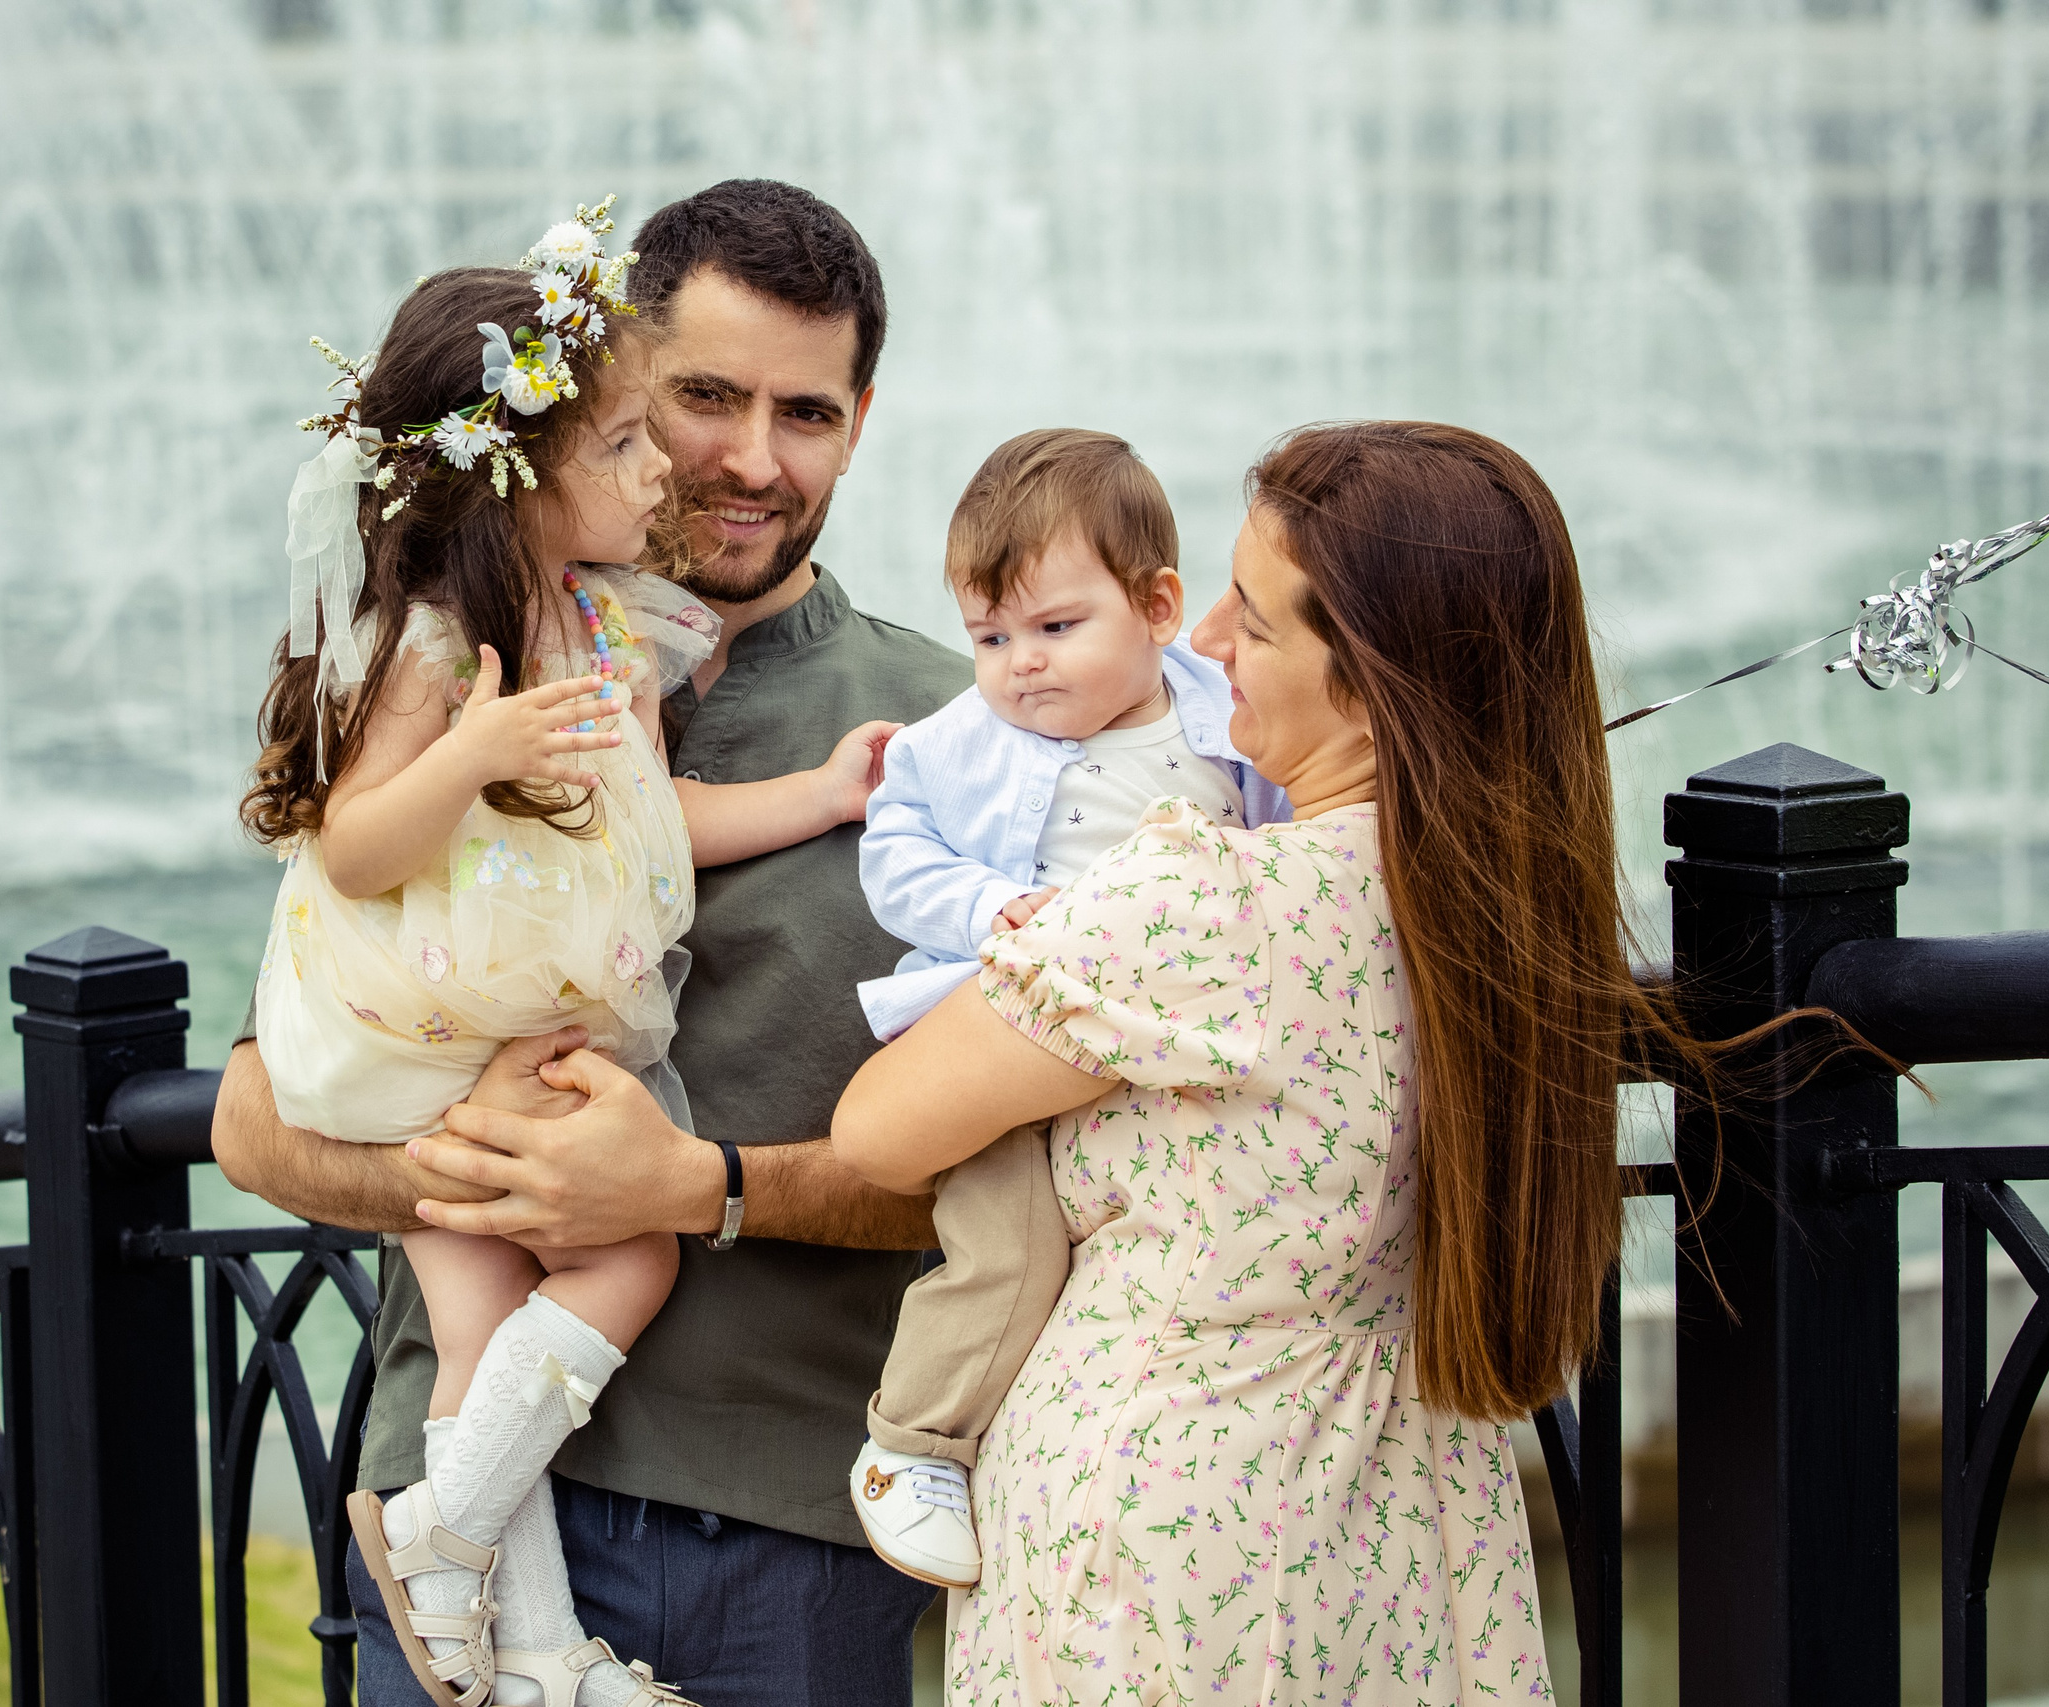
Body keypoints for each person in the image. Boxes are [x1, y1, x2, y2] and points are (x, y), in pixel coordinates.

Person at [212, 180, 968, 1707]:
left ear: (863, 420)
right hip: (462, 1536)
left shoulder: (959, 733)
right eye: (700, 398)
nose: (752, 458)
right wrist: (477, 1178)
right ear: (589, 399)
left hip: (782, 1544)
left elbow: (1041, 1179)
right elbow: (256, 1111)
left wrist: (700, 1188)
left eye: (807, 412)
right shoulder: (455, 654)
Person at [828, 420, 1639, 1702]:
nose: (1202, 642)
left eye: (1253, 624)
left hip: (1166, 1542)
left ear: (1371, 684)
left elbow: (878, 1132)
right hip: (1406, 1514)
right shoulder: (1503, 904)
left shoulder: (1206, 906)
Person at [842, 427, 1288, 1588]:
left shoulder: (1225, 711)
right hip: (1008, 1025)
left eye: (1053, 628)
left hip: (1162, 1051)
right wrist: (994, 907)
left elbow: (1292, 822)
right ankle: (915, 1445)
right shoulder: (953, 745)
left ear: (1156, 606)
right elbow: (896, 862)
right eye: (988, 637)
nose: (1019, 666)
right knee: (1006, 1243)